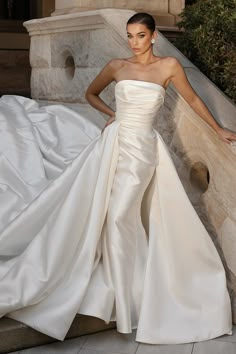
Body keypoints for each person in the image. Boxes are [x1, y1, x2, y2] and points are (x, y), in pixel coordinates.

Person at [0, 12, 235, 345]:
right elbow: (91, 94)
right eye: (129, 36)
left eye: (140, 36)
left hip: (143, 151)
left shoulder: (168, 66)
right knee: (112, 214)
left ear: (153, 36)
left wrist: (219, 129)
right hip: (113, 144)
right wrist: (113, 116)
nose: (134, 42)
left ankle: (128, 296)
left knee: (122, 213)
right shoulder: (117, 66)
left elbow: (194, 98)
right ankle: (123, 294)